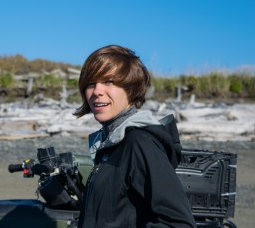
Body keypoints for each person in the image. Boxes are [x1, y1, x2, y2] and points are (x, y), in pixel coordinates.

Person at [73, 45, 196, 228]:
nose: (97, 91)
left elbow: (179, 223)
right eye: (91, 83)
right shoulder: (111, 143)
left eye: (109, 81)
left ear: (131, 89)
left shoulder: (139, 143)